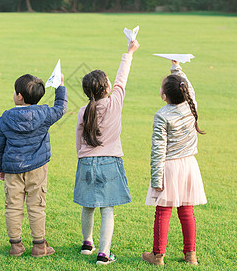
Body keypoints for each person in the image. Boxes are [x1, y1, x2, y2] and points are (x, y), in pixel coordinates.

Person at [73, 40, 140, 265]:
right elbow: (123, 77)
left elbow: (78, 140)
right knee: (107, 209)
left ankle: (86, 243)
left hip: (86, 162)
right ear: (107, 88)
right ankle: (104, 253)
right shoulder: (115, 103)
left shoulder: (84, 110)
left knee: (88, 205)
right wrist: (129, 52)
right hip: (109, 163)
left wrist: (82, 158)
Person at [141, 61, 207, 266]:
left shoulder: (162, 115)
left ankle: (158, 256)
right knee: (186, 211)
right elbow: (189, 87)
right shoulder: (190, 104)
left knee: (163, 210)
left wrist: (156, 179)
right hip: (188, 166)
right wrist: (177, 69)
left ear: (164, 95)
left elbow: (158, 150)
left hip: (169, 167)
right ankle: (191, 256)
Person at [0, 73, 67, 257]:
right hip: (37, 168)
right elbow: (60, 108)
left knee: (13, 206)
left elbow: (0, 145)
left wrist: (0, 167)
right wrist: (60, 87)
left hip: (12, 168)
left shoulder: (5, 117)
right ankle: (38, 245)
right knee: (37, 206)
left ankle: (16, 245)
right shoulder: (44, 114)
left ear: (19, 96)